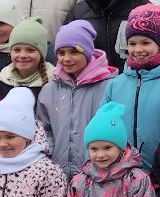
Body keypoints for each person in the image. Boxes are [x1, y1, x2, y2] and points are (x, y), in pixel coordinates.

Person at [35, 21, 118, 177]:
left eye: (74, 52)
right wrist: (50, 156)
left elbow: (116, 129)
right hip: (58, 173)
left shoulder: (108, 86)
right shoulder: (50, 90)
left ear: (87, 52)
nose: (66, 58)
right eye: (61, 53)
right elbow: (43, 130)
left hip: (98, 173)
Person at [104, 4, 160, 158]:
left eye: (146, 43)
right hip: (123, 172)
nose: (138, 50)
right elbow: (102, 127)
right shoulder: (115, 85)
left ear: (159, 44)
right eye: (132, 44)